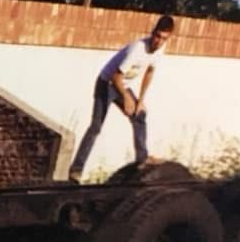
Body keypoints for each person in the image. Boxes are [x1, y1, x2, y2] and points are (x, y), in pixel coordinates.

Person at [68, 14, 175, 183]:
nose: (159, 42)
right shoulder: (137, 49)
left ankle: (142, 158)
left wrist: (140, 100)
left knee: (140, 115)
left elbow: (150, 72)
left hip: (123, 85)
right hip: (106, 83)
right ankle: (76, 170)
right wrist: (126, 98)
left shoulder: (159, 51)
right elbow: (115, 77)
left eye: (163, 39)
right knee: (96, 127)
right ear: (152, 33)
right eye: (157, 37)